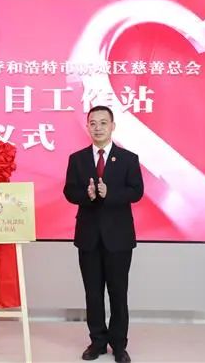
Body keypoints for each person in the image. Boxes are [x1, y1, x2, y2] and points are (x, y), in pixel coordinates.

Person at [63, 105, 144, 363]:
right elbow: (69, 191)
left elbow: (137, 191)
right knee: (93, 293)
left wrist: (111, 194)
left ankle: (119, 345)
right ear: (87, 126)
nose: (98, 128)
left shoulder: (128, 158)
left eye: (103, 123)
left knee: (118, 294)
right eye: (93, 123)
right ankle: (97, 342)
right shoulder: (77, 159)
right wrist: (85, 195)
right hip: (88, 237)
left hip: (119, 238)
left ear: (112, 126)